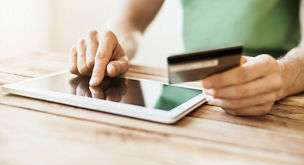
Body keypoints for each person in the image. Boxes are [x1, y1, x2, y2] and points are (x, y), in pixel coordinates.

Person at [68, 0, 304, 116]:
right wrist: (113, 45)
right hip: (181, 98)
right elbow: (130, 19)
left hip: (270, 103)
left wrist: (284, 75)